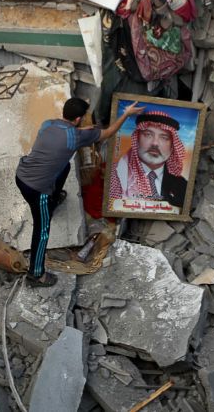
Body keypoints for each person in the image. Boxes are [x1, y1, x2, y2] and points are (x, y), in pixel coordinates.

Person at [15, 98, 144, 287]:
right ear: (77, 119)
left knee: (64, 166)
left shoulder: (49, 124)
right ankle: (36, 275)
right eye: (82, 119)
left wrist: (82, 131)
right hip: (36, 189)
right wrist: (126, 114)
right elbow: (108, 133)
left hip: (22, 174)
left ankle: (55, 197)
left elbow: (69, 133)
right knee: (42, 231)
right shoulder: (75, 137)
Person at [109, 110, 189, 208]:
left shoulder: (182, 185)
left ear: (172, 147)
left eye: (164, 137)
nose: (155, 143)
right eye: (148, 135)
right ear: (137, 140)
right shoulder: (115, 174)